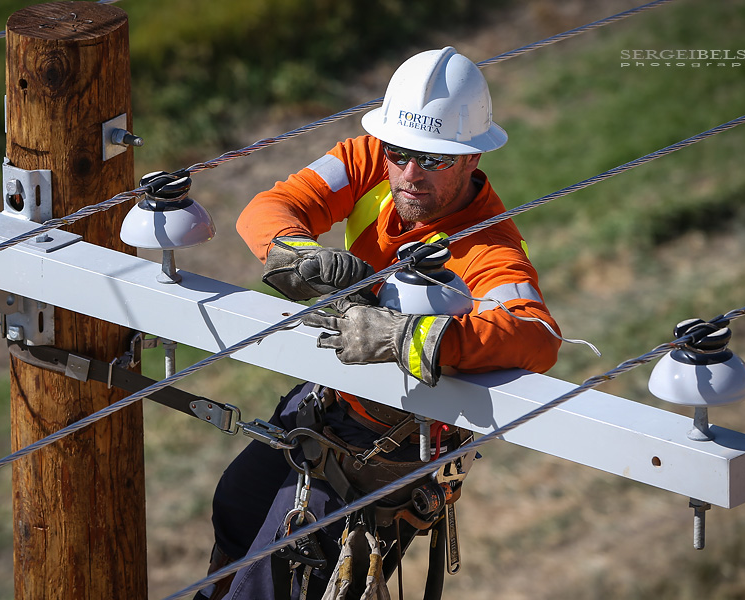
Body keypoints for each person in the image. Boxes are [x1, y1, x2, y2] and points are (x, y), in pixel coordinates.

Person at [197, 46, 561, 600]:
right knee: (237, 507)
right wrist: (302, 257)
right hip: (329, 397)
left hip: (389, 443)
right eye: (401, 153)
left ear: (471, 158)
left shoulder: (490, 248)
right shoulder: (370, 158)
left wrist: (409, 337)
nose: (410, 174)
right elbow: (270, 208)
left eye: (434, 160)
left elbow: (537, 336)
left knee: (279, 582)